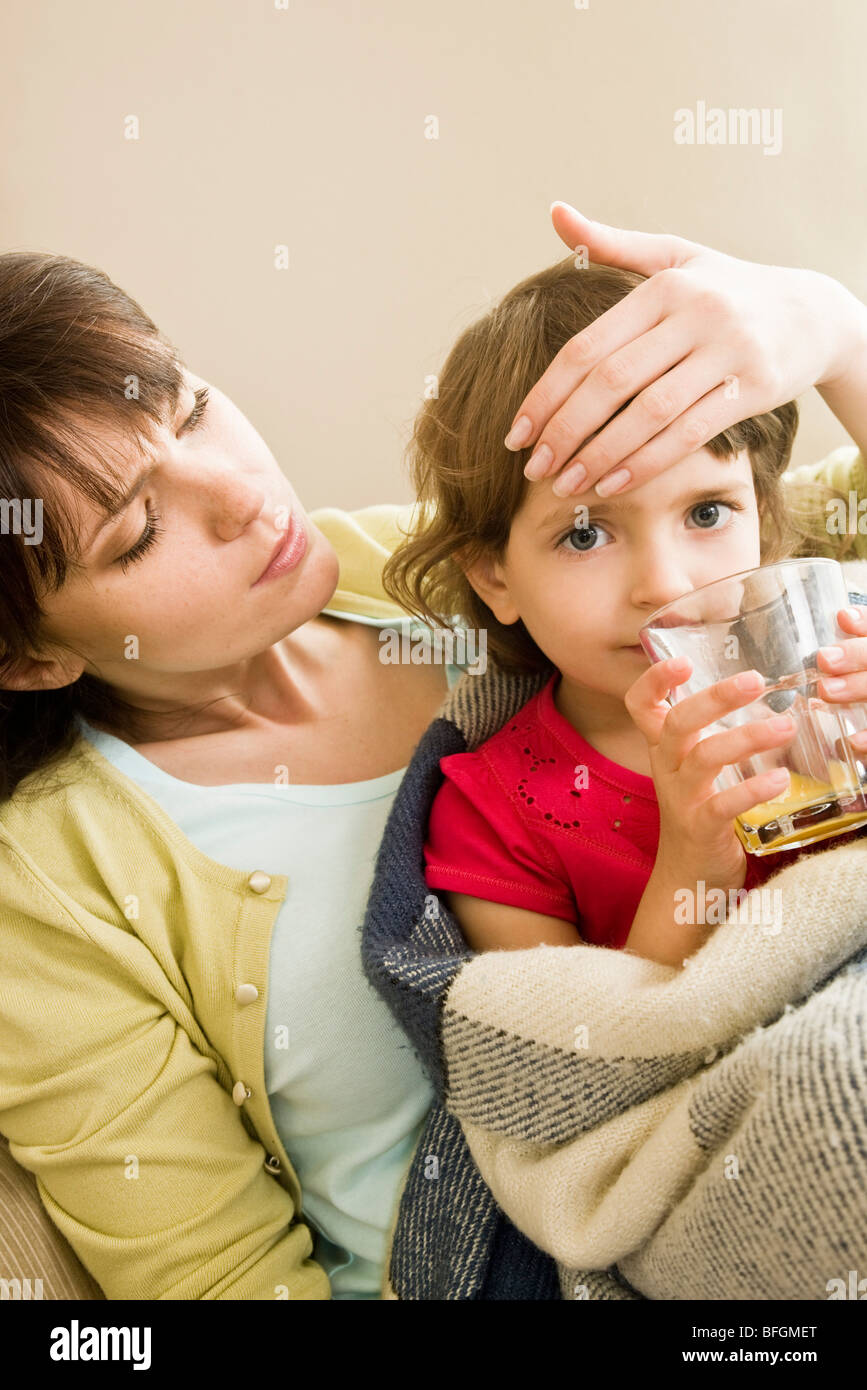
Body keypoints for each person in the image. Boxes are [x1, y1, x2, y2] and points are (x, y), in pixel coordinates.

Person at [2, 209, 866, 1300]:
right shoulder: (49, 890)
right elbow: (217, 1282)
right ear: (27, 655)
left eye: (197, 411)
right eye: (137, 532)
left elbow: (776, 524)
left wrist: (834, 330)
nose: (244, 497)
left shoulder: (407, 575)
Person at [382, 256, 867, 968]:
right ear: (493, 578)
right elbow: (592, 1055)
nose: (663, 584)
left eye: (707, 511)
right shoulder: (489, 819)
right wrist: (693, 861)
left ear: (762, 520)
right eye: (584, 534)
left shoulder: (826, 685)